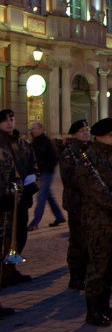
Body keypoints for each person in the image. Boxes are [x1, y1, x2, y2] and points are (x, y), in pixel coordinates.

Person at [77, 118, 112, 326]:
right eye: (111, 135)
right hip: (99, 220)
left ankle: (105, 305)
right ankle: (93, 310)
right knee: (98, 266)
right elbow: (97, 190)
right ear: (99, 136)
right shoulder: (89, 158)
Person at [0, 110, 37, 287]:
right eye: (5, 121)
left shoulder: (22, 142)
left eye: (12, 120)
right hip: (5, 199)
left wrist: (31, 185)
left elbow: (32, 164)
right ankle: (3, 273)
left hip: (21, 197)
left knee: (20, 234)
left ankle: (11, 269)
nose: (9, 123)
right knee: (6, 236)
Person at [60, 119, 91, 290]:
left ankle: (86, 272)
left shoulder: (90, 150)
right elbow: (70, 179)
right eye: (82, 131)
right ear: (74, 134)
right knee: (78, 241)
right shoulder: (68, 153)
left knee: (89, 239)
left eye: (87, 129)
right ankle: (76, 276)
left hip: (90, 202)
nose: (85, 133)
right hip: (76, 203)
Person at [27, 122, 66, 230]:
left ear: (41, 129)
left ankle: (35, 222)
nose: (32, 130)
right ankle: (59, 216)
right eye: (31, 129)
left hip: (46, 173)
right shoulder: (34, 142)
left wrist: (45, 168)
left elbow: (54, 158)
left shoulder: (47, 142)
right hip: (39, 173)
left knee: (41, 197)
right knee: (48, 195)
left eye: (34, 128)